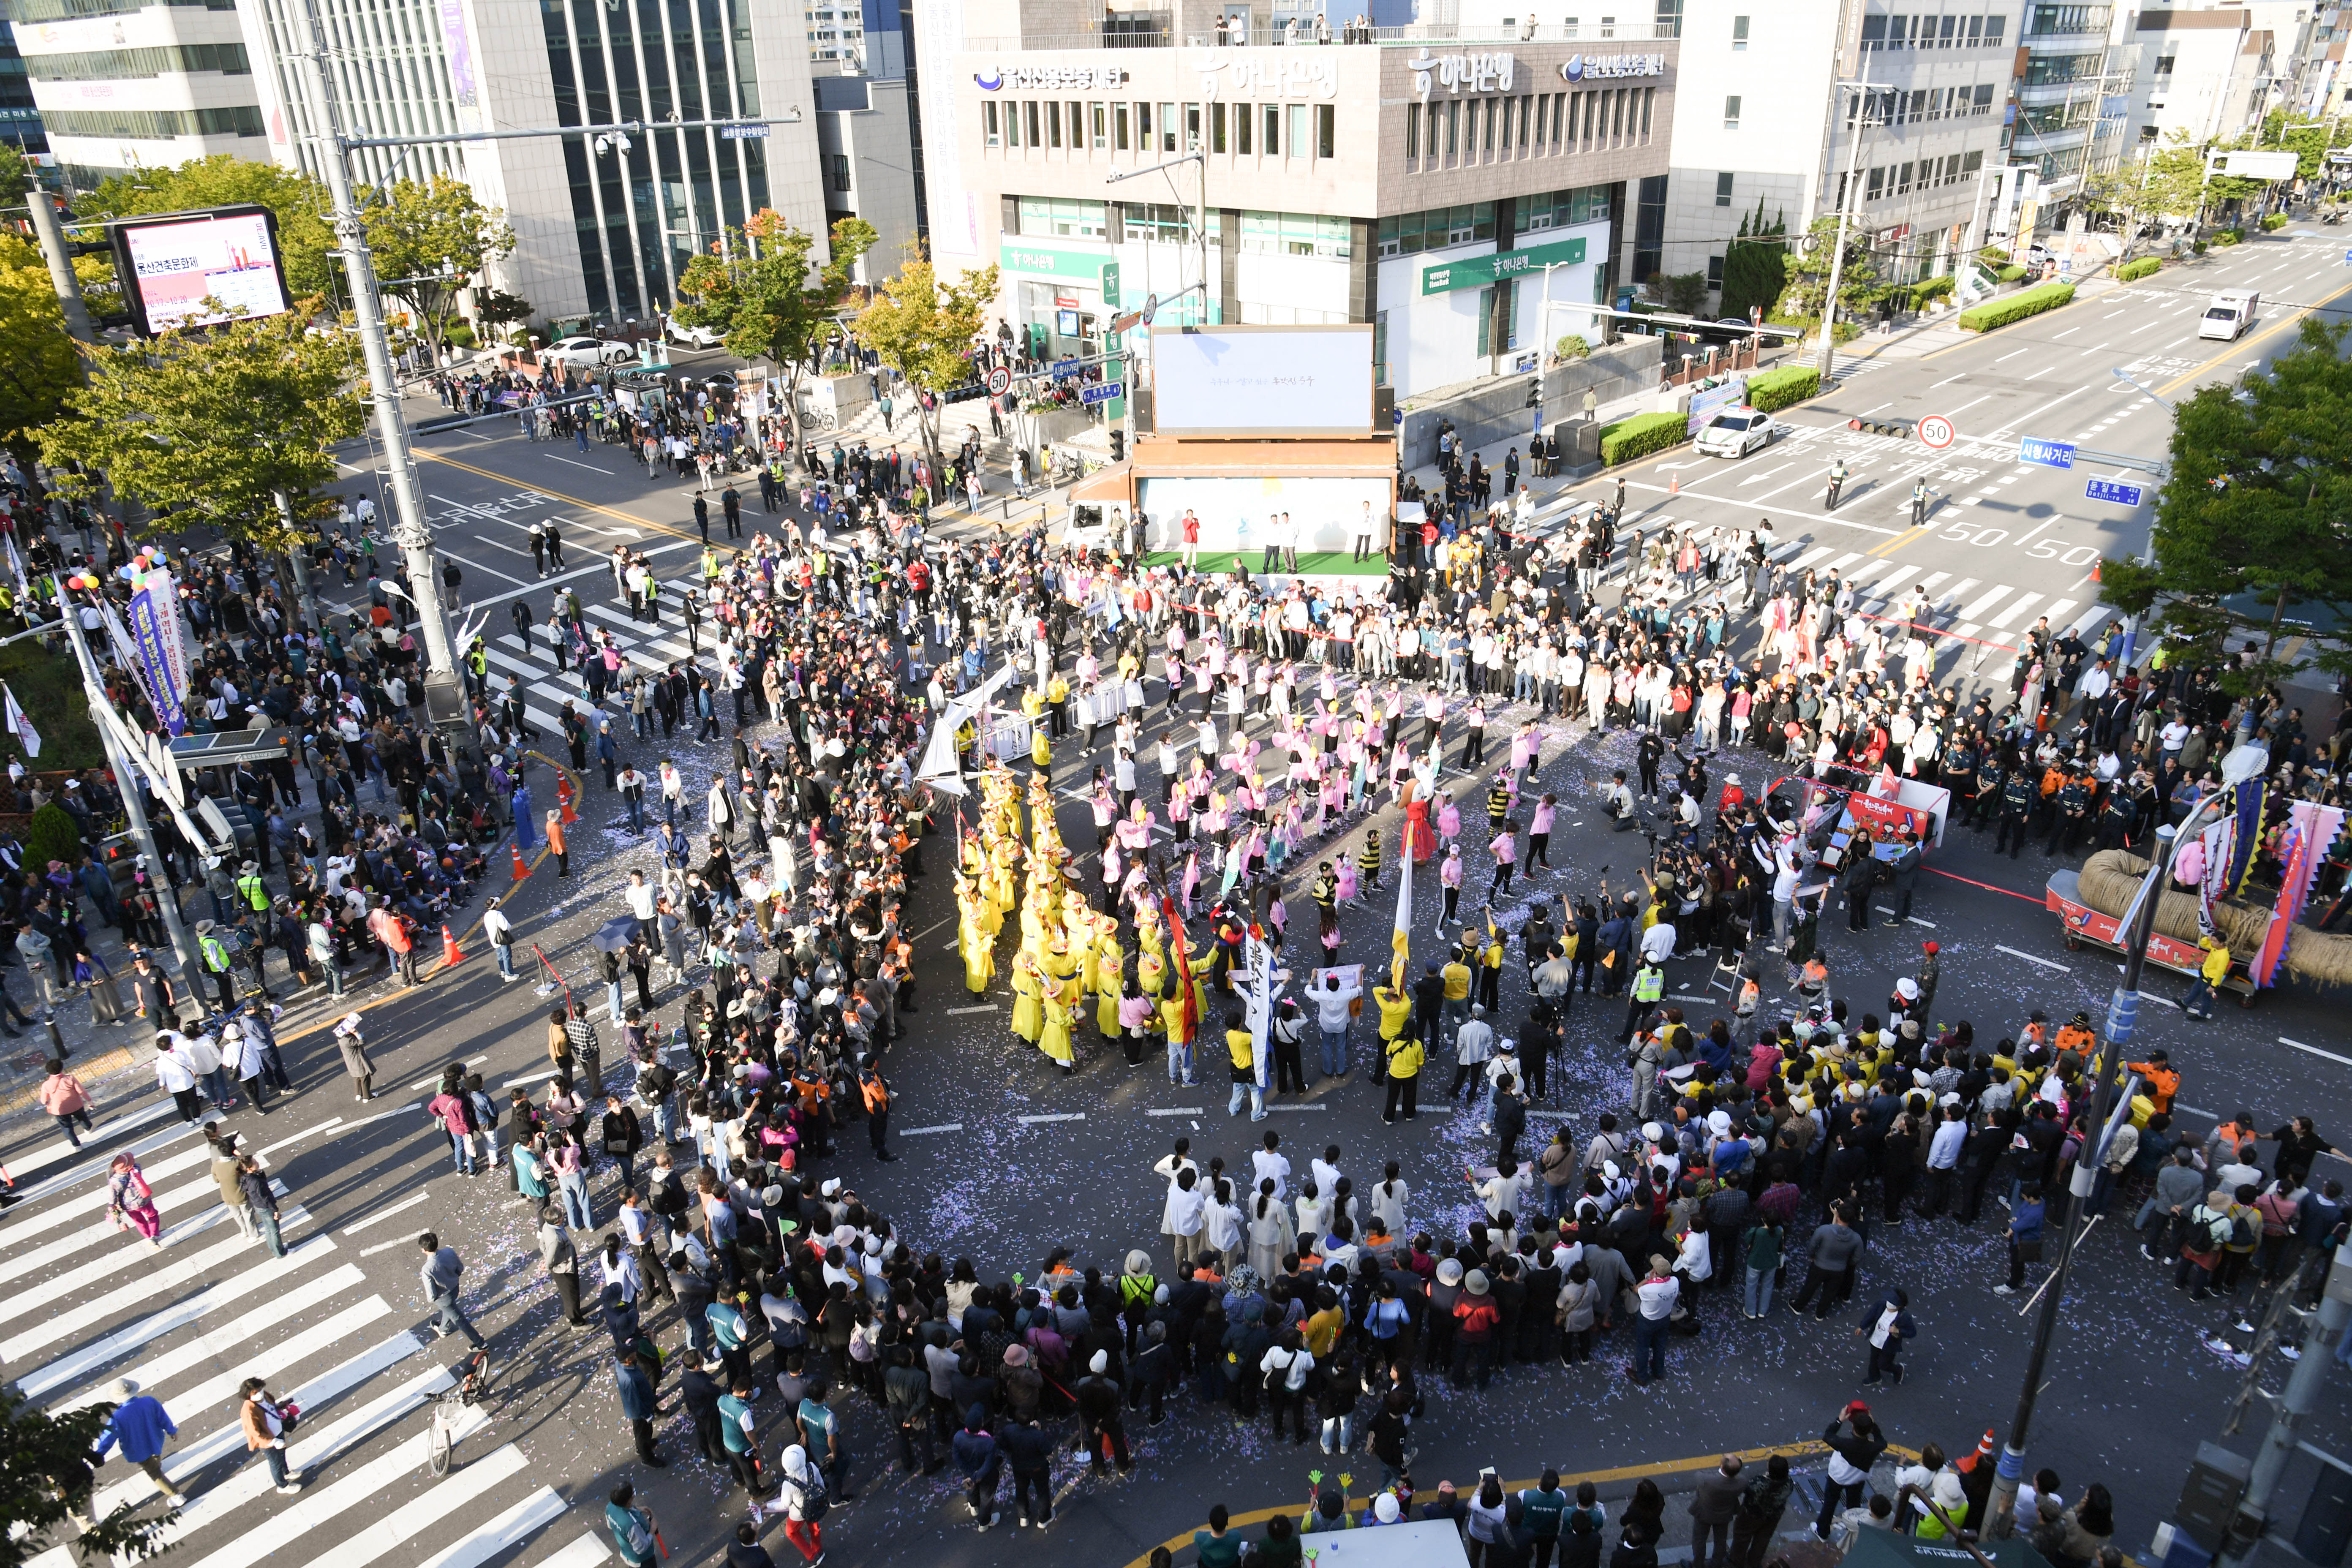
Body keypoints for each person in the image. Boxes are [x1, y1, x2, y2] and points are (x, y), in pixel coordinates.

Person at [94, 1377, 185, 1502]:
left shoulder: (117, 1417)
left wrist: (99, 1454)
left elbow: (108, 1438)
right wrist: (172, 1431)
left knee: (154, 1474)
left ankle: (175, 1495)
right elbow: (163, 1418)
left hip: (138, 1450)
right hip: (155, 1439)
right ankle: (157, 1465)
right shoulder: (149, 1401)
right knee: (155, 1455)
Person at [417, 1232, 488, 1347]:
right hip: (455, 1288)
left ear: (424, 1250)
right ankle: (443, 1330)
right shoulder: (449, 1252)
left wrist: (432, 1300)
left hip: (443, 1298)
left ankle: (481, 1344)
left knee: (460, 1320)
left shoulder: (427, 1269)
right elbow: (460, 1268)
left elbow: (431, 1293)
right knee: (450, 1310)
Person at [239, 1377, 304, 1494]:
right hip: (268, 1441)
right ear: (249, 1394)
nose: (259, 1393)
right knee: (276, 1463)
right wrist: (273, 1442)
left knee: (282, 1455)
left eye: (260, 1390)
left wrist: (285, 1406)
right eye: (256, 1392)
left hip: (278, 1432)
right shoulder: (249, 1410)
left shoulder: (266, 1396)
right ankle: (282, 1486)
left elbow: (273, 1407)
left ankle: (287, 1473)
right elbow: (255, 1432)